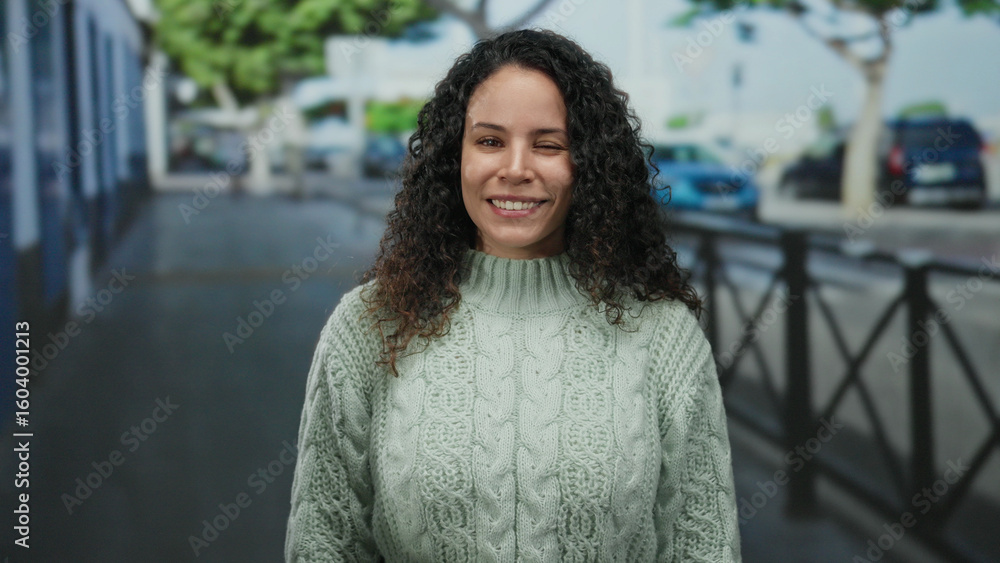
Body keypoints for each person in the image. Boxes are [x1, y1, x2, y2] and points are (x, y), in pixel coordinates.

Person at [285, 29, 741, 562]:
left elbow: (703, 546)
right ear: (454, 157)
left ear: (590, 164)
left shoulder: (662, 335)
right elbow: (323, 542)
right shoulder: (372, 325)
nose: (516, 169)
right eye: (490, 141)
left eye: (548, 145)